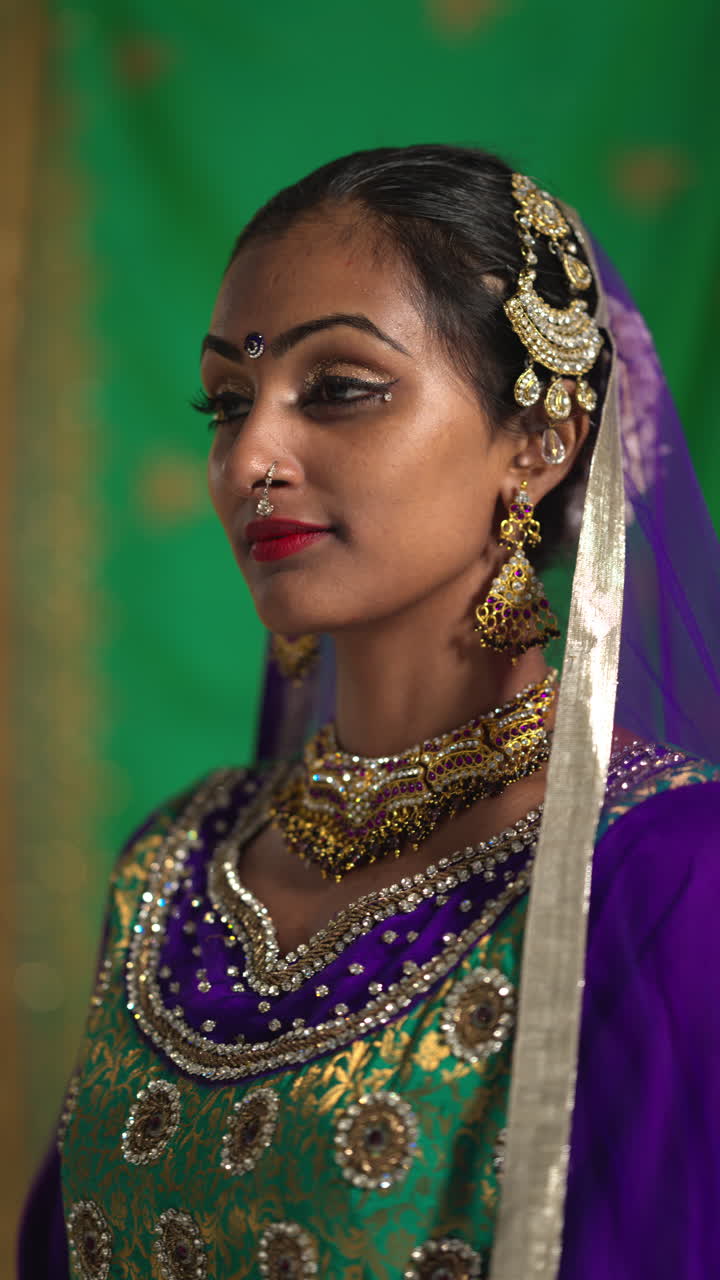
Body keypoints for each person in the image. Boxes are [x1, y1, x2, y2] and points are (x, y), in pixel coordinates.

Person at [19, 145, 720, 1280]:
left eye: (339, 388)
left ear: (538, 442)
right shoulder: (173, 866)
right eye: (227, 402)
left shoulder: (670, 880)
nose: (249, 457)